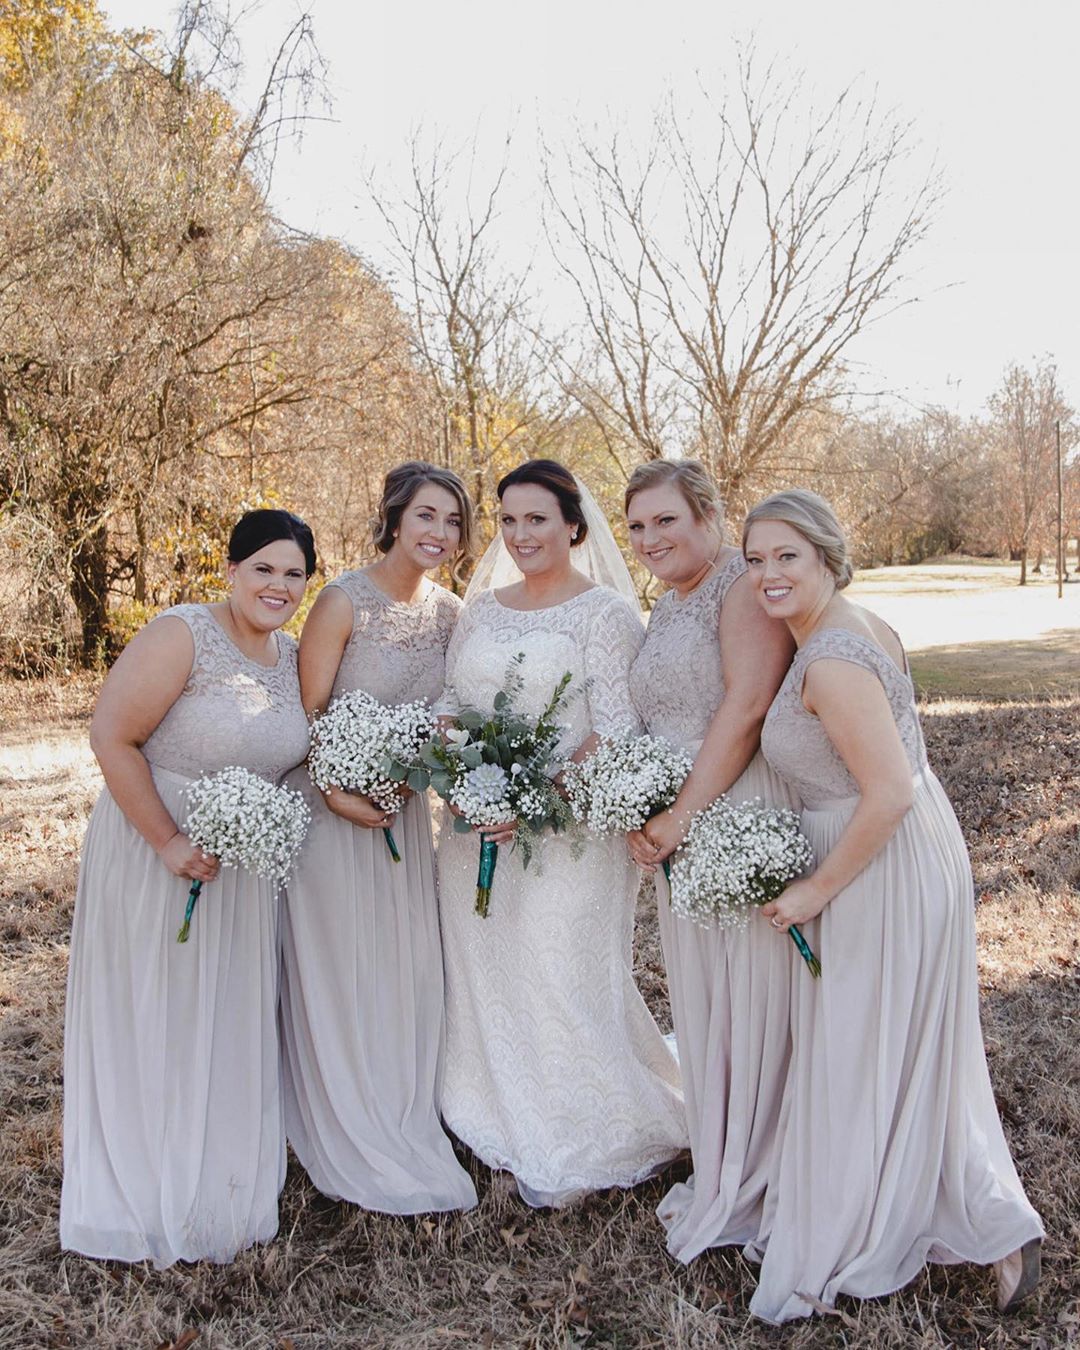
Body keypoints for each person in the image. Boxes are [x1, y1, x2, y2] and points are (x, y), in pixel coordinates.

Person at [741, 488, 1044, 1323]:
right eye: (756, 559)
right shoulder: (857, 625)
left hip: (875, 857)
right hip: (903, 850)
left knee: (853, 1050)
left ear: (828, 556)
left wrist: (812, 889)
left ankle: (856, 1238)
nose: (768, 574)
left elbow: (886, 795)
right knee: (899, 1047)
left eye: (786, 556)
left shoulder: (833, 657)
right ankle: (983, 1219)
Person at [61, 509, 315, 1266]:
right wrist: (168, 842)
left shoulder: (291, 655)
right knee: (157, 1009)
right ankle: (144, 1188)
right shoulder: (182, 633)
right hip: (154, 849)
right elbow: (112, 733)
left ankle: (218, 1187)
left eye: (295, 573)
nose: (278, 585)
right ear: (231, 569)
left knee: (225, 1015)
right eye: (264, 568)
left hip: (239, 869)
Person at [437, 459, 686, 1207]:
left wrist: (532, 795)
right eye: (508, 520)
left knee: (557, 970)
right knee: (489, 969)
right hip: (476, 829)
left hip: (571, 833)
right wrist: (465, 776)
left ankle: (588, 1129)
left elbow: (612, 733)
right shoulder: (480, 611)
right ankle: (493, 1111)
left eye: (536, 519)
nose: (520, 535)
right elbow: (450, 700)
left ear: (574, 525)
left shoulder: (605, 614)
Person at [280, 462, 478, 1214]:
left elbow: (450, 717)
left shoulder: (454, 615)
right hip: (332, 813)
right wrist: (339, 786)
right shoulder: (342, 602)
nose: (439, 533)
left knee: (404, 968)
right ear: (395, 518)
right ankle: (346, 1115)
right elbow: (304, 715)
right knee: (342, 965)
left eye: (453, 521)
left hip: (403, 820)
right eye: (426, 516)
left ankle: (403, 1106)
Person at [623, 459, 797, 1262]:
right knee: (710, 997)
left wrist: (681, 814)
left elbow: (749, 704)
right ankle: (725, 1150)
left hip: (731, 814)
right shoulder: (666, 603)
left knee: (753, 995)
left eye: (667, 520)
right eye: (639, 526)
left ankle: (765, 1169)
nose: (652, 538)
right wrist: (636, 803)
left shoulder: (740, 588)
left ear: (709, 516)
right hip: (679, 823)